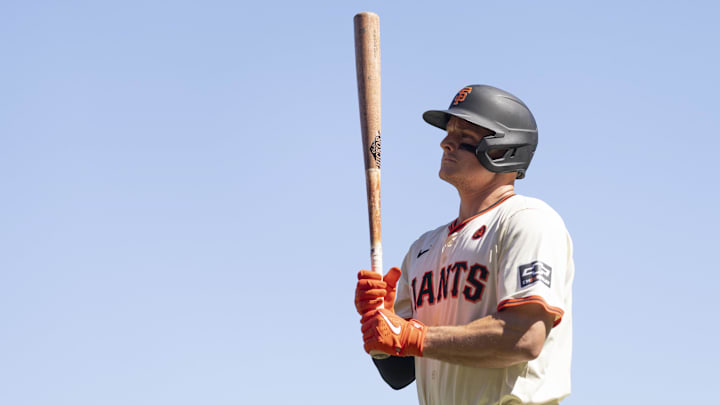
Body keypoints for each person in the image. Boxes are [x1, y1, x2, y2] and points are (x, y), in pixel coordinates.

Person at [354, 85, 574, 405]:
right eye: (449, 133)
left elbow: (525, 337)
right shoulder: (422, 248)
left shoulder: (528, 220)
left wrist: (416, 336)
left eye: (465, 138)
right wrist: (382, 323)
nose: (446, 142)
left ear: (503, 150)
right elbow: (399, 375)